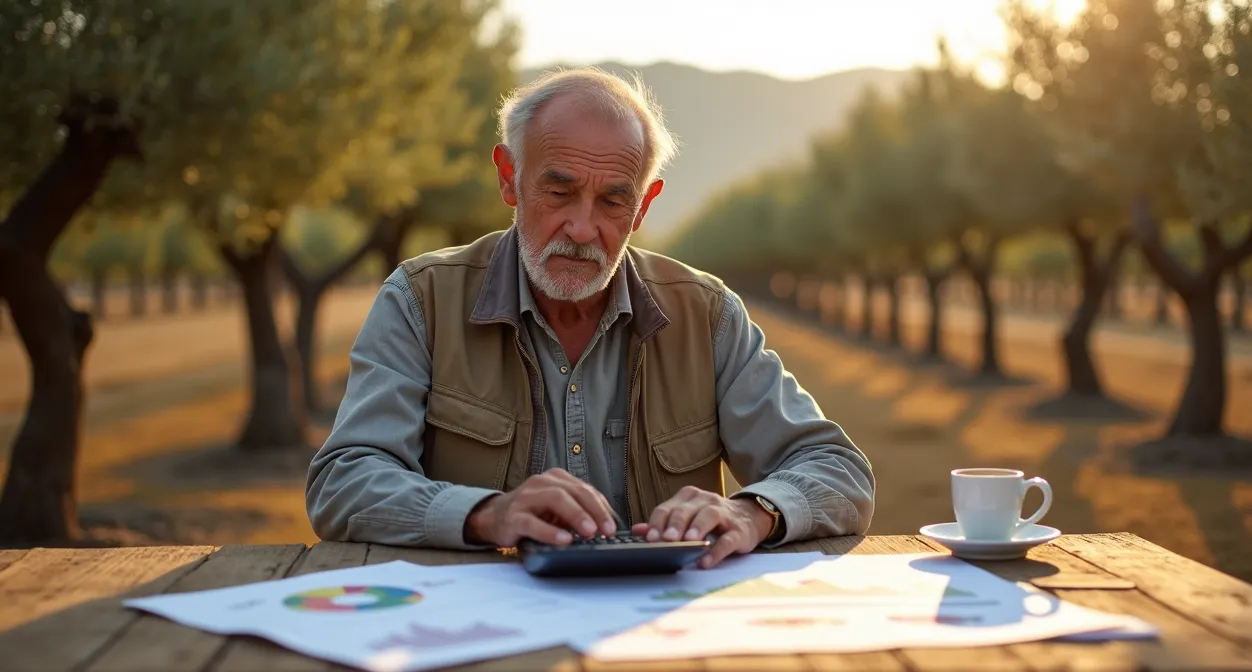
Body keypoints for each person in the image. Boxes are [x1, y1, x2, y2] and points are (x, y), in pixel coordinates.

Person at [305, 67, 874, 569]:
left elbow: (838, 470)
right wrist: (487, 514)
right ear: (509, 177)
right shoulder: (419, 300)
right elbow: (344, 479)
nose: (582, 229)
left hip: (661, 637)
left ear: (645, 204)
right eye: (560, 191)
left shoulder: (707, 314)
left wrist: (753, 515)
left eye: (612, 201)